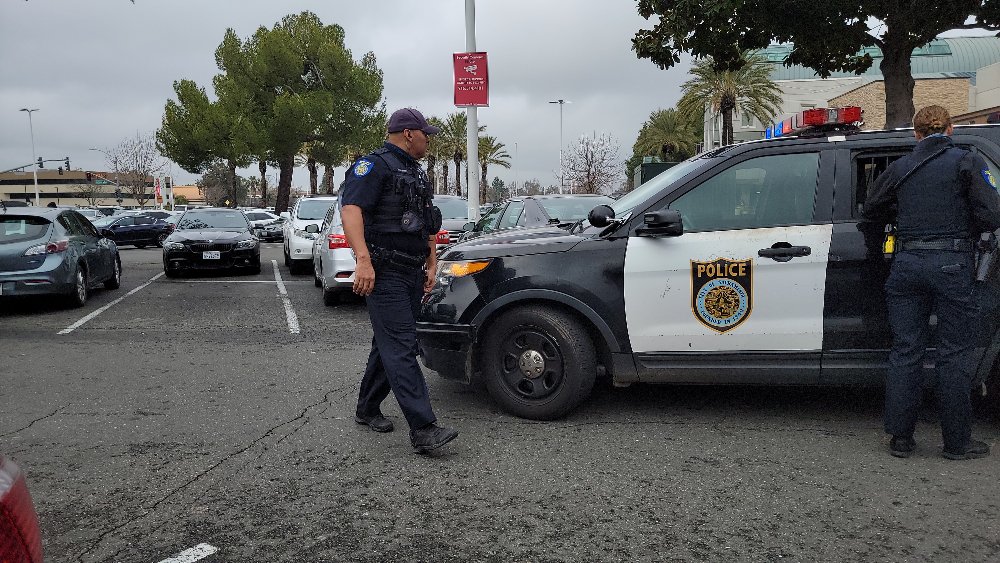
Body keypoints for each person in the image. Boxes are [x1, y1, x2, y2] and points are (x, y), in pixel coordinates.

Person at [862, 105, 1000, 460]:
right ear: (951, 129)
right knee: (953, 355)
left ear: (916, 133)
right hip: (952, 265)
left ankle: (901, 440)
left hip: (907, 264)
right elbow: (991, 213)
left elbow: (872, 207)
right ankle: (957, 443)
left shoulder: (900, 167)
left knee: (906, 350)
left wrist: (902, 216)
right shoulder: (966, 162)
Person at [340, 107, 458, 454]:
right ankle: (423, 428)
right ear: (409, 133)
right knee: (402, 345)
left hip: (411, 270)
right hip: (384, 269)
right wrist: (363, 260)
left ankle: (366, 408)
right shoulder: (372, 166)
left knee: (388, 342)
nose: (428, 140)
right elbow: (351, 210)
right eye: (426, 134)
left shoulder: (416, 172)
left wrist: (431, 262)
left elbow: (426, 222)